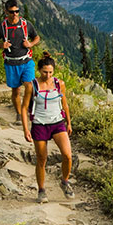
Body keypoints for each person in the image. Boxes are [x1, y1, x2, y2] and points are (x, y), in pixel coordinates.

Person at [0, 0, 40, 150]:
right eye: (12, 12)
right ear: (6, 12)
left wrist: (30, 44)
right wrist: (1, 45)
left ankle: (27, 110)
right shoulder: (2, 27)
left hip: (26, 61)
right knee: (16, 90)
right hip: (11, 62)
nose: (15, 14)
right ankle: (19, 114)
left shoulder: (25, 24)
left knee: (29, 86)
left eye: (17, 11)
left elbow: (36, 37)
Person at [25, 52, 75, 203]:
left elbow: (64, 103)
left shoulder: (60, 84)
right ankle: (41, 190)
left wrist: (69, 122)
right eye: (45, 72)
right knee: (42, 158)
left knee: (67, 155)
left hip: (57, 122)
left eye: (51, 72)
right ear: (39, 70)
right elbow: (24, 107)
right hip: (40, 124)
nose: (48, 75)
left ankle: (65, 181)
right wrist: (26, 128)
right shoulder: (32, 85)